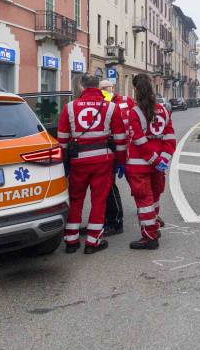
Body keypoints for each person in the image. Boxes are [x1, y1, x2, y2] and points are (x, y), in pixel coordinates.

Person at [56, 73, 126, 254]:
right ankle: (93, 242)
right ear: (98, 86)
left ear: (82, 87)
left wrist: (64, 162)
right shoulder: (110, 107)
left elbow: (62, 138)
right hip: (103, 161)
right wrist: (120, 161)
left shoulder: (69, 107)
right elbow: (120, 137)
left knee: (76, 199)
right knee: (99, 201)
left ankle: (71, 241)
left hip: (78, 160)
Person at [124, 74, 170, 250]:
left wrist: (154, 160)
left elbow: (139, 141)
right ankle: (154, 227)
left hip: (139, 166)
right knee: (155, 198)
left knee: (144, 202)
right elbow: (170, 138)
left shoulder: (133, 113)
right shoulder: (164, 111)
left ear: (136, 90)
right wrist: (162, 160)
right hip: (158, 166)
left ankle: (150, 237)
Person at [99, 79, 129, 235]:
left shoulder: (125, 101)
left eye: (107, 87)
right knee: (103, 188)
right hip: (106, 149)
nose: (106, 90)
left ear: (113, 87)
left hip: (120, 150)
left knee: (110, 187)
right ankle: (103, 221)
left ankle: (116, 221)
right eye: (102, 88)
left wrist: (121, 158)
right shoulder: (101, 103)